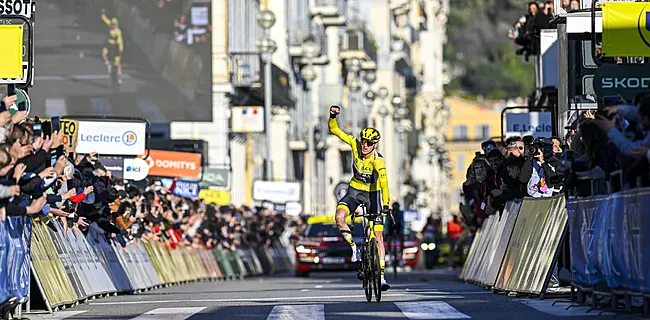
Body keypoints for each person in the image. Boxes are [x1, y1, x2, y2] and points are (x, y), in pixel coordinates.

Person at [328, 105, 391, 291]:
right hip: (354, 191)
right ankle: (354, 248)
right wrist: (333, 116)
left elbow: (385, 184)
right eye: (363, 141)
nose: (364, 146)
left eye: (369, 144)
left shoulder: (378, 161)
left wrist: (386, 205)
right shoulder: (355, 145)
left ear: (375, 145)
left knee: (377, 235)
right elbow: (334, 130)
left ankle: (381, 276)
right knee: (339, 217)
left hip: (373, 195)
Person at [101, 9, 124, 84]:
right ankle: (108, 64)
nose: (113, 25)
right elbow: (105, 19)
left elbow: (120, 42)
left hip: (116, 47)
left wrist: (120, 51)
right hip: (109, 44)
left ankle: (119, 76)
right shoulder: (110, 25)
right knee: (104, 53)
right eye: (112, 24)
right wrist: (103, 13)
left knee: (117, 63)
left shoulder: (118, 32)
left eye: (114, 24)